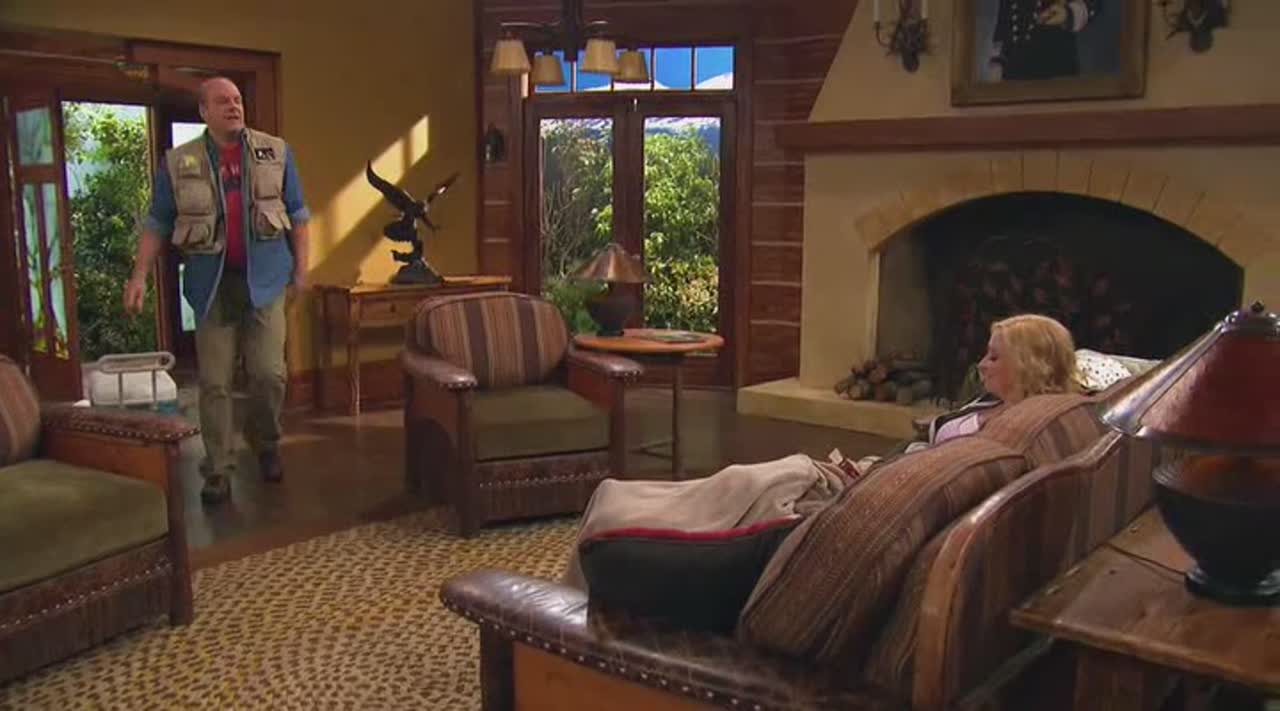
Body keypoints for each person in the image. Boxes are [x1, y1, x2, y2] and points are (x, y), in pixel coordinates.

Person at [124, 77, 311, 505]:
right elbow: (157, 222)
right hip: (211, 286)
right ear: (204, 112)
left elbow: (299, 215)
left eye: (238, 100)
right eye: (223, 101)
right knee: (214, 383)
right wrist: (139, 276)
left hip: (266, 281)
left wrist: (302, 269)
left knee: (269, 374)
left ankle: (266, 441)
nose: (234, 106)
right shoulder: (178, 162)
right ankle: (219, 469)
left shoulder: (275, 152)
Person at [987, 0, 1100, 81]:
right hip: (1014, 67)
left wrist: (1067, 14)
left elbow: (1090, 5)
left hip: (1054, 63)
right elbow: (1004, 23)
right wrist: (997, 62)